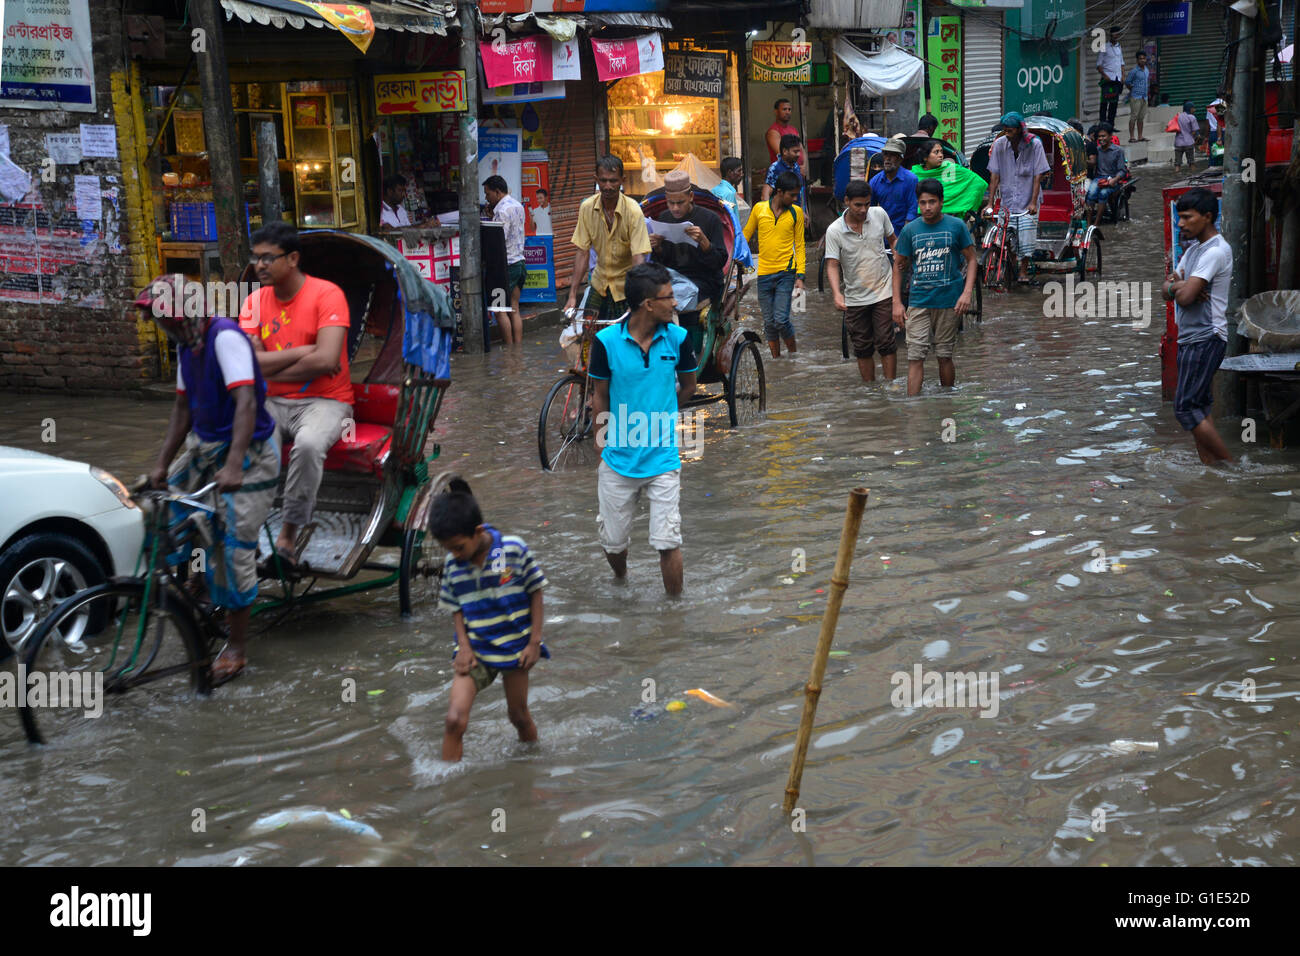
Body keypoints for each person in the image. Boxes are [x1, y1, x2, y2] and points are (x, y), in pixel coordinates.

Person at [143, 276, 280, 684]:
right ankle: (193, 585)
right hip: (205, 448)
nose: (160, 323)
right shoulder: (188, 347)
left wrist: (235, 464)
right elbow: (182, 411)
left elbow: (246, 402)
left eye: (163, 315)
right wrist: (161, 466)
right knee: (156, 509)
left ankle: (237, 647)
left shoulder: (224, 337)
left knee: (233, 541)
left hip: (251, 453)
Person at [239, 221, 353, 566]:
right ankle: (245, 534)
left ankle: (287, 537)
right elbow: (250, 364)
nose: (260, 265)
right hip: (270, 402)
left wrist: (271, 363)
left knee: (308, 445)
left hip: (327, 401)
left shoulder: (327, 294)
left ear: (292, 259)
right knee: (243, 441)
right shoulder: (254, 301)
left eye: (268, 258)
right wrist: (307, 352)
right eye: (256, 258)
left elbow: (328, 360)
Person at [588, 263, 697, 596]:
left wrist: (662, 416)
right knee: (613, 543)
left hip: (663, 456)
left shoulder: (678, 338)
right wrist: (601, 443)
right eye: (669, 297)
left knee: (668, 541)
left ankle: (674, 614)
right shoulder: (605, 342)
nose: (676, 303)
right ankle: (622, 580)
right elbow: (600, 395)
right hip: (618, 458)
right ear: (649, 304)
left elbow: (689, 386)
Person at [434, 479, 549, 762]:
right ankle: (449, 790)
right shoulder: (453, 564)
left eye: (459, 547)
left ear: (478, 532)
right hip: (475, 648)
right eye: (449, 549)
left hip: (515, 648)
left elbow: (536, 591)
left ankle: (532, 767)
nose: (455, 555)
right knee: (453, 720)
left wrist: (534, 642)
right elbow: (455, 606)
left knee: (519, 717)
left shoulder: (514, 549)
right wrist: (463, 646)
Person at [1163, 188, 1233, 464]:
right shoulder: (1192, 251)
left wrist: (1179, 287)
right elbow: (1166, 289)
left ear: (1206, 217)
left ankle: (1231, 467)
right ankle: (1213, 470)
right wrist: (1178, 285)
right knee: (1200, 408)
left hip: (1206, 336)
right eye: (1179, 218)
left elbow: (1188, 297)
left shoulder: (1215, 251)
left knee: (1185, 409)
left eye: (1186, 217)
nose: (1180, 224)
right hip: (1191, 337)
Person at [892, 179, 977, 397]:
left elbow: (972, 259)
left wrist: (967, 294)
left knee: (944, 354)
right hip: (919, 300)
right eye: (923, 203)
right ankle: (913, 410)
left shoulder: (956, 226)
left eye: (932, 202)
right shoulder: (910, 230)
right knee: (915, 356)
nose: (927, 207)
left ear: (941, 202)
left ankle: (947, 403)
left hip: (949, 301)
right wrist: (897, 303)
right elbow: (898, 265)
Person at [825, 180, 897, 383]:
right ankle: (870, 389)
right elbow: (832, 264)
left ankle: (891, 385)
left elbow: (892, 240)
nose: (863, 209)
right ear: (846, 202)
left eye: (867, 204)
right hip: (855, 296)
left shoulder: (879, 215)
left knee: (886, 341)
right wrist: (837, 294)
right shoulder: (834, 230)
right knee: (862, 347)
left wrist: (901, 258)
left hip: (884, 290)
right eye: (858, 205)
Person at [564, 155, 652, 323]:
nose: (608, 186)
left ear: (622, 180)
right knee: (588, 334)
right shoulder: (587, 208)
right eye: (603, 181)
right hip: (599, 283)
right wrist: (572, 295)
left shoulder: (633, 211)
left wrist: (636, 296)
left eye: (613, 181)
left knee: (628, 336)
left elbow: (638, 257)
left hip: (626, 285)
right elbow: (582, 253)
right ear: (596, 179)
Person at [649, 170, 727, 354]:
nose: (675, 208)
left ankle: (685, 354)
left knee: (674, 300)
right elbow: (663, 261)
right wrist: (658, 247)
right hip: (674, 278)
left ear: (691, 197)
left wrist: (705, 243)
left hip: (705, 280)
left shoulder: (710, 219)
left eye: (680, 203)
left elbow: (720, 261)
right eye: (671, 203)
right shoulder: (664, 218)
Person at [743, 170, 805, 358]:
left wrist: (800, 276)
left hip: (786, 273)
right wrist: (736, 258)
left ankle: (793, 355)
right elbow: (745, 235)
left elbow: (800, 246)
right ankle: (778, 361)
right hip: (763, 274)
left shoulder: (797, 213)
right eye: (792, 195)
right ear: (779, 192)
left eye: (796, 195)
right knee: (769, 323)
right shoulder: (759, 209)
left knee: (781, 320)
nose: (795, 199)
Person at [985, 112, 1050, 284]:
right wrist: (990, 202)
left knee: (1026, 235)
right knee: (1006, 235)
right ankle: (1010, 268)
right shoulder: (999, 145)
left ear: (1019, 130)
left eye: (1010, 130)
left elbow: (1038, 175)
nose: (1007, 133)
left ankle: (1023, 271)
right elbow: (994, 175)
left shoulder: (1035, 145)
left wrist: (1033, 202)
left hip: (1029, 198)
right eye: (1005, 130)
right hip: (1008, 200)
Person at [483, 174, 527, 346]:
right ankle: (518, 349)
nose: (486, 197)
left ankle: (509, 351)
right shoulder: (517, 205)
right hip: (519, 263)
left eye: (488, 194)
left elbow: (499, 239)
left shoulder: (501, 211)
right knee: (514, 308)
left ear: (497, 192)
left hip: (504, 267)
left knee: (500, 311)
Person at [909, 139, 987, 219]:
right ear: (925, 157)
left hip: (950, 215)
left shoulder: (952, 169)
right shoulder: (914, 174)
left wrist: (963, 202)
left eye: (941, 152)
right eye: (936, 152)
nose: (941, 155)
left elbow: (978, 182)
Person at [869, 139, 919, 237]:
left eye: (892, 155)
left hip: (904, 232)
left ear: (900, 158)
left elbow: (912, 210)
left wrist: (903, 239)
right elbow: (870, 210)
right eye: (886, 154)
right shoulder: (875, 182)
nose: (888, 158)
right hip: (881, 234)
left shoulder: (911, 179)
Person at [1086, 124, 1129, 226]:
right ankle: (1088, 224)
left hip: (1113, 179)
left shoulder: (1118, 151)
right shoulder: (1097, 150)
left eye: (1103, 136)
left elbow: (1122, 170)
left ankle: (1096, 223)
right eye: (1099, 136)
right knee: (1091, 193)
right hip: (1099, 179)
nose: (1101, 139)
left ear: (1110, 136)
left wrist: (1115, 179)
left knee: (1103, 193)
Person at [763, 133, 806, 210]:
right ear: (785, 151)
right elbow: (765, 195)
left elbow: (801, 192)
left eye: (799, 151)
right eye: (795, 152)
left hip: (797, 213)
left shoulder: (796, 167)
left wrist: (804, 211)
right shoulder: (775, 168)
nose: (798, 155)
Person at [766, 98, 806, 174]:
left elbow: (802, 150)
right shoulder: (773, 132)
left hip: (798, 174)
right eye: (784, 109)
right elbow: (783, 155)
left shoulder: (793, 129)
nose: (787, 112)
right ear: (776, 112)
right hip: (784, 175)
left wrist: (804, 167)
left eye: (789, 109)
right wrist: (797, 168)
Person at [1097, 26, 1124, 127]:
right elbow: (1098, 65)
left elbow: (1122, 63)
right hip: (1107, 80)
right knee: (1104, 103)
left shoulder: (1119, 47)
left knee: (1114, 104)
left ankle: (1111, 125)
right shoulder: (1104, 47)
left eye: (1118, 34)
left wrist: (1123, 76)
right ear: (1110, 35)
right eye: (1114, 34)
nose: (1116, 36)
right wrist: (1105, 76)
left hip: (1117, 79)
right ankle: (1103, 124)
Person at [1125, 52, 1151, 143]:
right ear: (1137, 60)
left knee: (1141, 117)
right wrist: (1133, 90)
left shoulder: (1146, 70)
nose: (1142, 60)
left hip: (1144, 97)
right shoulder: (1134, 71)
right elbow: (1127, 82)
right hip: (1136, 97)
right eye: (1140, 58)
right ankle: (1132, 137)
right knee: (1134, 117)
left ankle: (1140, 136)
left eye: (1144, 58)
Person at [1174, 101, 1199, 170]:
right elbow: (1194, 131)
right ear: (1190, 109)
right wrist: (1193, 138)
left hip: (1178, 143)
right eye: (1193, 108)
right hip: (1188, 143)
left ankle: (1176, 175)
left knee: (1177, 164)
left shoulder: (1178, 116)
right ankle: (1194, 177)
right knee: (1191, 163)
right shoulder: (1192, 117)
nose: (1195, 110)